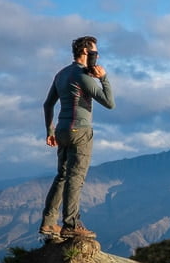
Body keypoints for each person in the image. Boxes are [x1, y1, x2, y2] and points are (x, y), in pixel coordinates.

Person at [39, 35, 115, 239]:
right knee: (75, 177)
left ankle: (48, 223)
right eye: (94, 52)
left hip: (62, 130)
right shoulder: (82, 76)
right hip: (80, 131)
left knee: (62, 176)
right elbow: (109, 103)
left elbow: (48, 104)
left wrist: (49, 131)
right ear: (85, 52)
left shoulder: (61, 74)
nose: (96, 56)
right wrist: (103, 78)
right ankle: (71, 224)